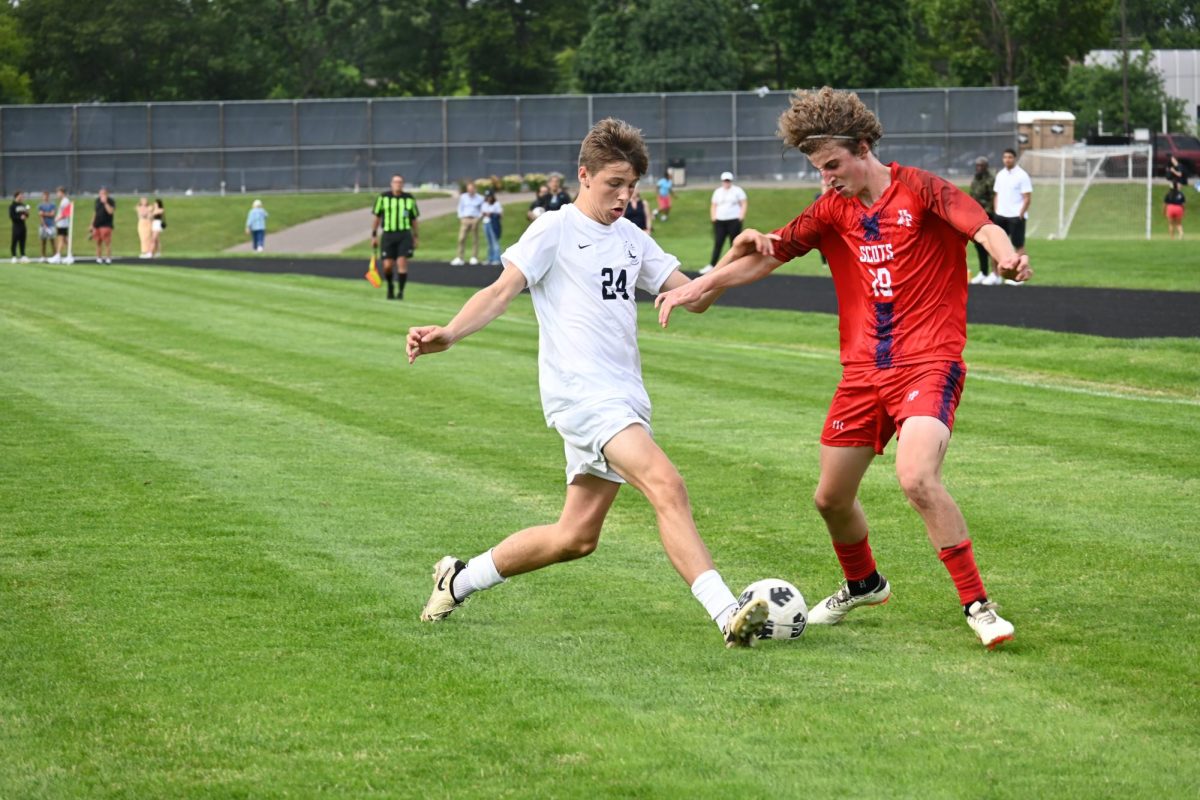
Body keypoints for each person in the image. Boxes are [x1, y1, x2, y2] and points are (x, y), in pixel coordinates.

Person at [655, 87, 1032, 650]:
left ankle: (978, 605)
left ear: (863, 147)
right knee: (830, 499)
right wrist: (702, 285)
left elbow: (982, 226)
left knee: (917, 477)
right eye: (818, 168)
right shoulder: (832, 209)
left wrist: (1004, 256)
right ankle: (864, 583)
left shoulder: (923, 190)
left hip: (928, 362)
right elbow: (767, 255)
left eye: (833, 165)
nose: (827, 177)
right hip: (862, 374)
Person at [407, 117, 769, 648]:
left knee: (575, 538)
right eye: (613, 185)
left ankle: (456, 580)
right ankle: (726, 614)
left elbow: (695, 296)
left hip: (624, 396)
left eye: (632, 187)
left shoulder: (631, 239)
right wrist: (450, 334)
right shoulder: (554, 228)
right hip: (581, 396)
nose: (624, 197)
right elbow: (502, 290)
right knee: (666, 485)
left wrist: (734, 258)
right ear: (584, 175)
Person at [371, 174, 420, 299]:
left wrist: (416, 236)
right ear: (391, 184)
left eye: (400, 182)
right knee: (387, 265)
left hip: (404, 234)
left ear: (402, 184)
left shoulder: (409, 199)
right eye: (395, 182)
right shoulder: (383, 198)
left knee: (401, 262)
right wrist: (374, 236)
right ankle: (390, 286)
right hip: (388, 234)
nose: (398, 184)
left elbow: (414, 219)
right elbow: (377, 217)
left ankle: (401, 292)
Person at [992, 148, 1031, 285]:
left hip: (1015, 216)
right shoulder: (1000, 175)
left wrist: (1020, 213)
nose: (1007, 159)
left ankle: (1018, 276)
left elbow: (1027, 197)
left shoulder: (1022, 175)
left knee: (1018, 246)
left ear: (1015, 158)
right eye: (1005, 157)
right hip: (1000, 215)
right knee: (995, 246)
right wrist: (996, 210)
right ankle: (995, 275)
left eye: (1010, 157)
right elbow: (996, 194)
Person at [701, 171, 747, 273]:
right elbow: (713, 205)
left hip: (734, 221)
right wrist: (713, 217)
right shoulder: (717, 192)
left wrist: (741, 216)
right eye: (725, 180)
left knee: (735, 243)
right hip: (720, 222)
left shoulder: (737, 191)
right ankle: (712, 265)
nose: (727, 182)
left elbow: (743, 203)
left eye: (728, 180)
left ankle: (736, 266)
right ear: (722, 181)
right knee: (718, 243)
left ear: (731, 181)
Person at [968, 156, 999, 285]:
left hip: (987, 216)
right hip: (975, 216)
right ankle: (983, 272)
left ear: (986, 166)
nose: (979, 167)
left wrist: (986, 211)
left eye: (981, 165)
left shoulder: (990, 180)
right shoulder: (976, 178)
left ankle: (995, 273)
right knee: (979, 245)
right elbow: (972, 195)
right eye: (977, 165)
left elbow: (994, 197)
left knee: (989, 245)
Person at [450, 181, 484, 266]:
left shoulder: (480, 198)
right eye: (468, 189)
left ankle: (474, 257)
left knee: (475, 239)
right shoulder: (463, 197)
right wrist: (461, 217)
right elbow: (460, 208)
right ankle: (460, 257)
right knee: (461, 238)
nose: (470, 191)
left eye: (471, 189)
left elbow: (482, 209)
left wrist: (478, 218)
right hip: (465, 219)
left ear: (474, 189)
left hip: (475, 219)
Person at [89, 187, 116, 264]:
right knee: (98, 242)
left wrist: (105, 203)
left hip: (106, 224)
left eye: (103, 193)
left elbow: (110, 212)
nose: (101, 195)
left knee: (107, 242)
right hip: (97, 224)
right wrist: (92, 224)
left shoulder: (111, 201)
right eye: (100, 193)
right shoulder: (97, 201)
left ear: (107, 194)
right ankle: (98, 257)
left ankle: (108, 258)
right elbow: (95, 213)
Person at [48, 187, 73, 264]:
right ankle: (70, 255)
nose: (57, 194)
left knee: (61, 239)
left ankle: (58, 256)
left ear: (62, 192)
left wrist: (57, 219)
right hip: (62, 223)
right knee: (65, 239)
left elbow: (65, 213)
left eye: (58, 193)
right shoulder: (63, 201)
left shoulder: (65, 201)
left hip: (63, 223)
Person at [481, 190, 503, 266]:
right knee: (489, 242)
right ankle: (490, 258)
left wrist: (491, 214)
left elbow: (500, 214)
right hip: (486, 223)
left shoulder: (496, 204)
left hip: (493, 223)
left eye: (489, 196)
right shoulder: (484, 203)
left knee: (495, 241)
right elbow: (483, 213)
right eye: (487, 196)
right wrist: (487, 214)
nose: (488, 198)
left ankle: (496, 258)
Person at [9, 190, 30, 263]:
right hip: (16, 226)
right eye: (20, 195)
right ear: (17, 196)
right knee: (14, 241)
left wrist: (27, 213)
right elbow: (12, 216)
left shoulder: (23, 205)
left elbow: (26, 215)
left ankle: (23, 255)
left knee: (22, 241)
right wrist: (19, 217)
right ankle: (14, 256)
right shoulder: (12, 206)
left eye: (22, 195)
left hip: (23, 225)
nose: (22, 197)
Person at [37, 191, 56, 262]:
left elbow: (52, 214)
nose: (45, 197)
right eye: (44, 196)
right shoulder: (40, 205)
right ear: (42, 197)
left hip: (51, 225)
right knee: (43, 241)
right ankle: (43, 256)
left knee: (52, 241)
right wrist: (44, 225)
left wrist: (44, 213)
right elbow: (40, 216)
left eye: (47, 196)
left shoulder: (52, 204)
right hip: (43, 226)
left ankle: (55, 255)